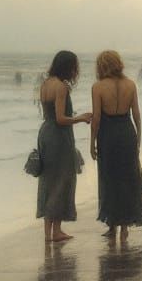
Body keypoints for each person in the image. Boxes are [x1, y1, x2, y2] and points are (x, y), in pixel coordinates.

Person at [91, 50, 142, 242]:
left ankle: (112, 225)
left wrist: (92, 143)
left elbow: (96, 118)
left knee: (109, 179)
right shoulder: (130, 85)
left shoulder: (98, 87)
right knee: (128, 179)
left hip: (108, 135)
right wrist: (138, 138)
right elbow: (137, 115)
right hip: (126, 132)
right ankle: (124, 228)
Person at [37, 51, 92, 243]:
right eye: (74, 67)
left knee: (47, 181)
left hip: (45, 133)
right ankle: (57, 231)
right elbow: (61, 118)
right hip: (59, 137)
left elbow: (51, 116)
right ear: (68, 67)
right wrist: (81, 118)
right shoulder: (61, 87)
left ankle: (47, 233)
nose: (75, 71)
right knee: (62, 179)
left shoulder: (45, 84)